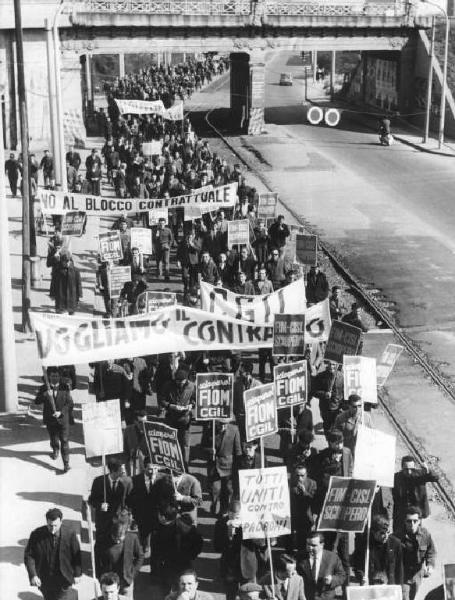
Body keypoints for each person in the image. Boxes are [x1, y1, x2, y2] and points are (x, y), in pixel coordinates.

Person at [24, 507, 81, 600]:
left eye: (56, 525)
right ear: (47, 522)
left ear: (61, 522)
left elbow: (76, 554)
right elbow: (29, 556)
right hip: (45, 579)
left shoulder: (70, 534)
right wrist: (33, 575)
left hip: (64, 577)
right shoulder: (36, 535)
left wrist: (77, 574)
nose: (53, 529)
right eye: (50, 526)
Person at [34, 367, 74, 473]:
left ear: (60, 377)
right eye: (52, 376)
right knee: (54, 438)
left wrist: (61, 412)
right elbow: (36, 401)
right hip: (50, 419)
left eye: (56, 376)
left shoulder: (65, 387)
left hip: (62, 419)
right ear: (48, 377)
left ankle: (66, 464)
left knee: (64, 441)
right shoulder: (44, 388)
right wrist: (45, 395)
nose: (55, 378)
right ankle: (55, 449)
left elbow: (70, 403)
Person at [96, 521, 144, 599]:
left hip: (125, 581)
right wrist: (100, 576)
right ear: (111, 534)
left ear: (125, 534)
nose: (117, 541)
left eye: (120, 539)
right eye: (115, 539)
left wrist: (133, 573)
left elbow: (140, 556)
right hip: (109, 582)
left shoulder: (132, 538)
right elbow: (97, 560)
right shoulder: (102, 540)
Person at [352, 514, 403, 585]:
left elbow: (399, 568)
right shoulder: (365, 544)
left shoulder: (395, 544)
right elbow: (357, 564)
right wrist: (362, 577)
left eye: (388, 532)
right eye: (382, 533)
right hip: (370, 584)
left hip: (389, 585)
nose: (386, 536)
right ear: (373, 532)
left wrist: (399, 587)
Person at [392, 456, 439, 534]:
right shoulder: (396, 478)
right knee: (398, 536)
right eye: (406, 469)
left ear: (415, 467)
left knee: (416, 535)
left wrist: (428, 470)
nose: (409, 472)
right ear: (402, 468)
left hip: (416, 513)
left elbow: (436, 478)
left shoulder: (420, 474)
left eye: (412, 469)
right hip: (401, 513)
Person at [296, 531, 346, 600]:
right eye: (308, 544)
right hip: (306, 597)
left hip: (325, 597)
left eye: (313, 545)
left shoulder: (332, 557)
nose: (310, 548)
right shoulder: (300, 557)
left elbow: (342, 575)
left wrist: (332, 579)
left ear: (322, 545)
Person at [162, 368, 196, 468]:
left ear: (186, 380)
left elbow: (195, 400)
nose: (179, 383)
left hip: (185, 419)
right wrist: (171, 406)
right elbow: (162, 400)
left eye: (182, 381)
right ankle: (172, 465)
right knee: (171, 442)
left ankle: (185, 466)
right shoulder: (168, 385)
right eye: (177, 381)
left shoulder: (192, 386)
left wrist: (191, 405)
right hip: (171, 418)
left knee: (185, 444)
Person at [401, 506, 436, 600]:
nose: (412, 524)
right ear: (405, 521)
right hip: (403, 575)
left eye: (415, 521)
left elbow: (431, 551)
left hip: (418, 574)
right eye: (409, 521)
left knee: (412, 597)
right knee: (404, 597)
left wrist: (430, 565)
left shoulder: (425, 535)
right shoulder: (397, 537)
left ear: (419, 521)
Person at [88, 458, 128, 544]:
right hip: (102, 521)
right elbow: (91, 500)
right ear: (113, 471)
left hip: (115, 522)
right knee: (101, 544)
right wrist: (100, 505)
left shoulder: (123, 485)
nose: (124, 472)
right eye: (121, 470)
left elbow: (124, 503)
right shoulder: (98, 482)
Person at [208, 418, 242, 516]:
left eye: (225, 424)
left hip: (228, 465)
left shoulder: (234, 430)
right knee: (215, 489)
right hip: (214, 465)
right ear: (217, 422)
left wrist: (239, 467)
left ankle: (224, 510)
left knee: (226, 491)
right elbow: (202, 446)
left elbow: (238, 450)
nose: (223, 426)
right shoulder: (210, 429)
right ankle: (213, 503)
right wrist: (210, 451)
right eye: (221, 424)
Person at [126, 456, 159, 552]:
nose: (152, 472)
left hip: (156, 514)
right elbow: (130, 498)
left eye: (155, 469)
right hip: (141, 513)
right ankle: (144, 548)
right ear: (144, 468)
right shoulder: (134, 480)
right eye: (150, 469)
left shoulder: (160, 479)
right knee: (144, 536)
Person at [289, 463, 317, 553]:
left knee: (303, 542)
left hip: (305, 516)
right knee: (288, 541)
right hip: (292, 515)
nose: (299, 478)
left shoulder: (312, 483)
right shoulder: (289, 482)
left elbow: (314, 501)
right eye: (297, 475)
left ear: (306, 475)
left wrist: (305, 492)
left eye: (302, 476)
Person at [52, 251, 82, 315]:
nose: (66, 263)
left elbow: (78, 283)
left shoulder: (75, 271)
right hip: (60, 297)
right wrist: (52, 294)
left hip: (72, 296)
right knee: (60, 314)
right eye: (64, 261)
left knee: (71, 314)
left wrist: (79, 294)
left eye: (68, 261)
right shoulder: (57, 270)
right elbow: (53, 283)